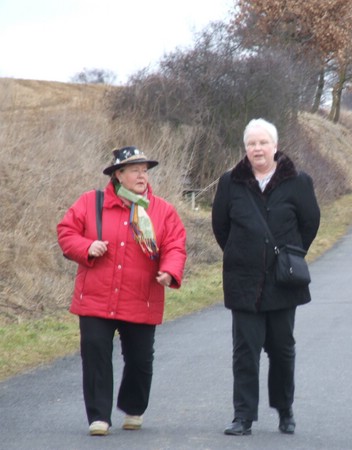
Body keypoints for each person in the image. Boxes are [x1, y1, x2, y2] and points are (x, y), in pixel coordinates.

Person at [57, 146, 187, 436]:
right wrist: (86, 247)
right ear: (119, 175)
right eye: (135, 170)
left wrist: (170, 270)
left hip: (141, 296)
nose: (142, 175)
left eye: (145, 170)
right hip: (95, 296)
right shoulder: (91, 203)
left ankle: (133, 407)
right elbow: (66, 232)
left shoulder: (161, 210)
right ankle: (99, 417)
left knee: (140, 359)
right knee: (95, 354)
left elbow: (175, 244)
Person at [211, 118, 320, 436]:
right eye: (251, 144)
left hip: (283, 280)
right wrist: (240, 252)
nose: (257, 148)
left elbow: (309, 224)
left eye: (263, 143)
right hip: (242, 279)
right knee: (245, 350)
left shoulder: (298, 181)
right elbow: (221, 227)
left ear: (275, 146)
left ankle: (285, 410)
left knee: (282, 349)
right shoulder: (230, 181)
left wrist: (291, 255)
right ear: (245, 149)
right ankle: (243, 416)